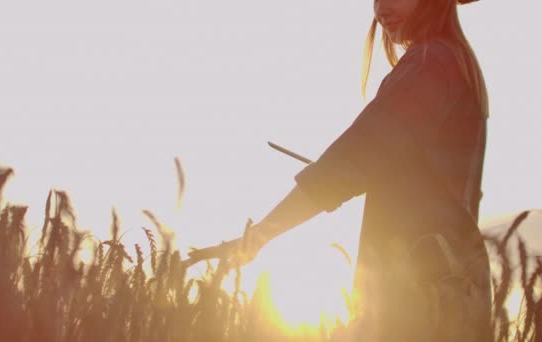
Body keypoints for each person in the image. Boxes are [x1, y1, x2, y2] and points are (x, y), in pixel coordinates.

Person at [187, 0, 492, 340]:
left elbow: (351, 160)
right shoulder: (457, 63)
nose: (381, 8)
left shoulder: (432, 63)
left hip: (419, 285)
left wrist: (259, 235)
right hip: (451, 288)